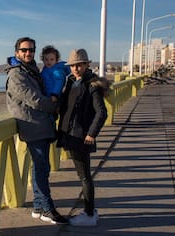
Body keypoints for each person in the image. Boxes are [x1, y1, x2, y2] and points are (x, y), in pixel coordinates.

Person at [5, 37, 68, 225]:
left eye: (31, 50)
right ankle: (48, 209)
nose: (28, 53)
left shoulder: (31, 70)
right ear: (17, 52)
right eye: (24, 50)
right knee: (41, 169)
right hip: (32, 125)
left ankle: (38, 207)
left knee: (40, 167)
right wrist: (55, 106)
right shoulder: (17, 74)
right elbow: (34, 99)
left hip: (40, 124)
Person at [57, 48, 109, 226]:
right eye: (72, 66)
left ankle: (88, 214)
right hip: (69, 135)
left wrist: (91, 134)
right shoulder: (71, 81)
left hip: (80, 137)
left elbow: (101, 113)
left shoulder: (91, 85)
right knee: (83, 174)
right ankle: (90, 212)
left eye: (79, 65)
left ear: (87, 65)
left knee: (84, 176)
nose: (76, 69)